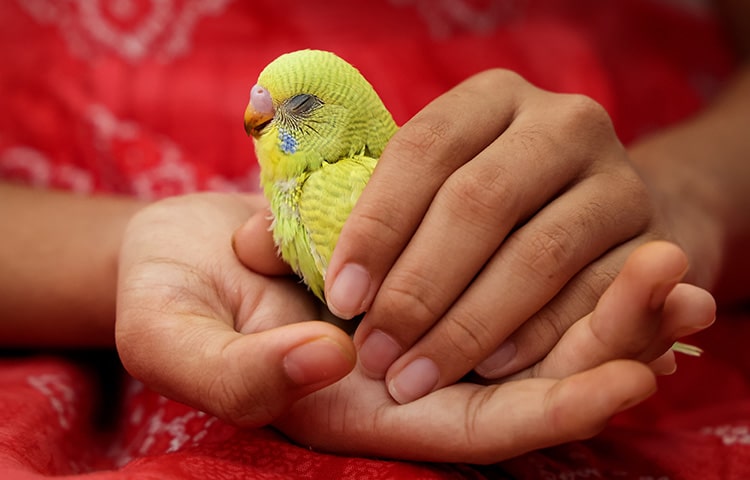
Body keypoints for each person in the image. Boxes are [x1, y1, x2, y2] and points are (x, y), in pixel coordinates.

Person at [0, 0, 746, 474]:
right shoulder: (295, 192)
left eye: (293, 108)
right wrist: (125, 253)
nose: (260, 115)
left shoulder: (330, 187)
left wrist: (686, 190)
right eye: (266, 101)